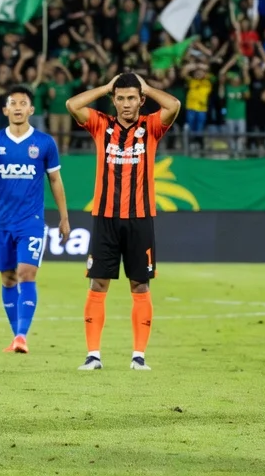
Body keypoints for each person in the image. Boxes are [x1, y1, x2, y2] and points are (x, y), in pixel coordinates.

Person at [65, 73, 182, 371]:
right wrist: (105, 87)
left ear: (141, 100)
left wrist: (147, 87)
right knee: (98, 282)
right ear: (113, 100)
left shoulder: (151, 127)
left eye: (132, 98)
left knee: (140, 285)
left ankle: (138, 356)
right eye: (120, 98)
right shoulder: (100, 124)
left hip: (140, 219)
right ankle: (93, 355)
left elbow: (174, 105)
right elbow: (72, 104)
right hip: (104, 217)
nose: (126, 104)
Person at [0, 85, 71, 355]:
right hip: (2, 222)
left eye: (23, 103)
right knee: (7, 278)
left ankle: (21, 336)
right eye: (12, 103)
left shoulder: (44, 143)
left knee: (27, 273)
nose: (17, 107)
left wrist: (64, 218)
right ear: (5, 110)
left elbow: (55, 180)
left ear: (31, 109)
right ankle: (15, 333)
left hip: (31, 221)